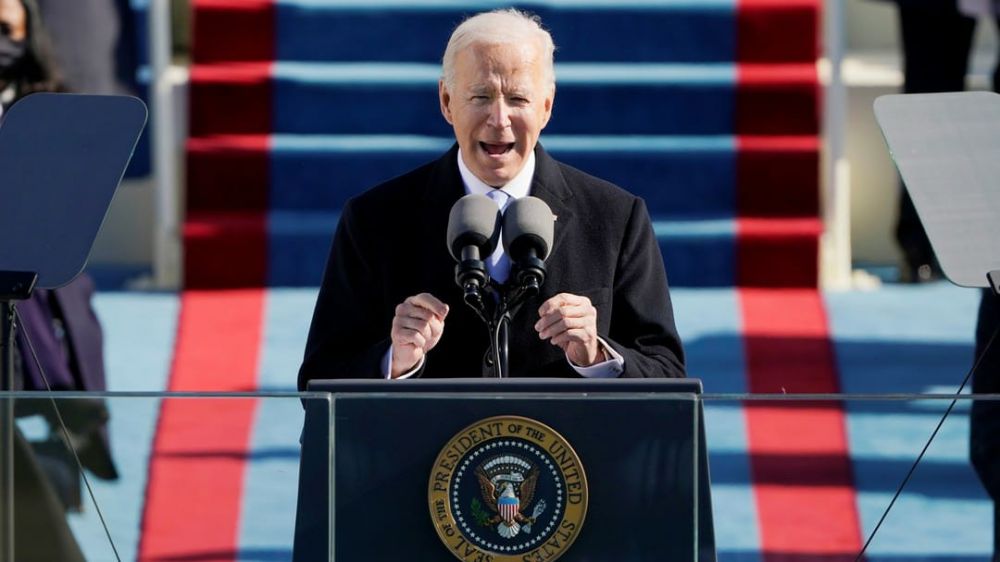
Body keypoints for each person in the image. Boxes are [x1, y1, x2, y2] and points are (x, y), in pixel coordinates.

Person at [298, 9, 685, 386]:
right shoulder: (374, 220)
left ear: (547, 106)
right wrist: (396, 360)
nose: (499, 119)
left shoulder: (616, 218)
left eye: (518, 99)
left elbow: (667, 374)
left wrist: (596, 354)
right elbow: (319, 379)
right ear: (447, 102)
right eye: (480, 96)